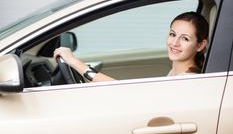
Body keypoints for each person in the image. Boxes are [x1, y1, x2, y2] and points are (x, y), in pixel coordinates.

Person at [53, 11, 209, 82]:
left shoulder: (187, 81)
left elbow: (127, 93)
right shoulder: (176, 73)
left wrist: (74, 62)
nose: (174, 43)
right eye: (172, 34)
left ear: (200, 45)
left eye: (185, 39)